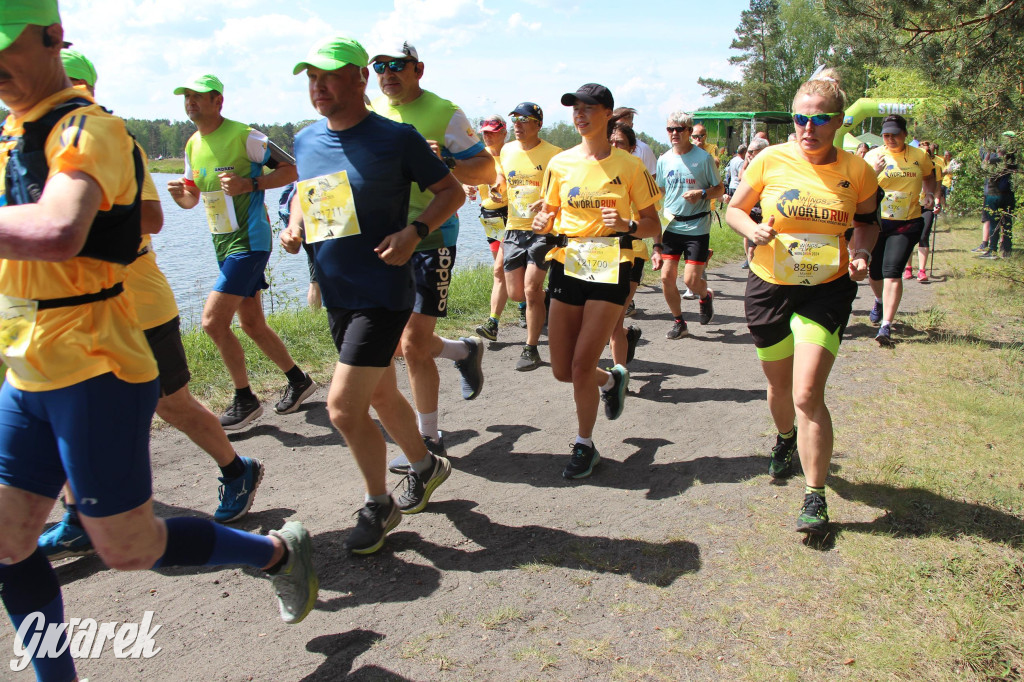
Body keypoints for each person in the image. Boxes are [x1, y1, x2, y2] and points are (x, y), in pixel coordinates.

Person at [0, 11, 317, 680]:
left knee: (128, 546)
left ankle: (275, 552)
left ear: (55, 40)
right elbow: (145, 214)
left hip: (96, 361)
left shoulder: (91, 128)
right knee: (3, 541)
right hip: (24, 361)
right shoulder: (11, 133)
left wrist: (251, 188)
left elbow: (58, 230)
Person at [37, 49, 267, 562]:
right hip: (63, 309)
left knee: (172, 403)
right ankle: (77, 518)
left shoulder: (109, 140)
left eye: (68, 82)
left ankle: (237, 469)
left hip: (135, 302)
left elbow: (148, 219)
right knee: (64, 410)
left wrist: (56, 229)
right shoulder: (29, 144)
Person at [284, 36, 462, 554]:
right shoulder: (306, 139)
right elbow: (305, 191)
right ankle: (427, 466)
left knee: (342, 409)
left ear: (361, 78)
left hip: (382, 291)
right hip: (337, 291)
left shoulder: (396, 138)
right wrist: (295, 226)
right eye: (311, 77)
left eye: (330, 76)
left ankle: (378, 503)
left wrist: (415, 232)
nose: (318, 87)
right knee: (380, 394)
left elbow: (453, 192)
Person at [726, 68, 878, 536]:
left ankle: (815, 496)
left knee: (807, 391)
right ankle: (785, 437)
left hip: (827, 287)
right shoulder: (770, 159)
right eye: (799, 119)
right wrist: (751, 228)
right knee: (778, 387)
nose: (808, 129)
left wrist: (860, 251)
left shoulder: (857, 170)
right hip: (770, 283)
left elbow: (869, 222)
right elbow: (734, 208)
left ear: (838, 123)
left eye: (819, 120)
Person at [368, 42, 491, 474]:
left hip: (431, 238)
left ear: (418, 69)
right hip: (384, 240)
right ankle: (463, 352)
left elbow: (487, 171)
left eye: (396, 66)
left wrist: (444, 164)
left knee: (412, 345)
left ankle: (429, 438)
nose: (387, 73)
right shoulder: (373, 114)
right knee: (406, 344)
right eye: (378, 66)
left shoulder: (445, 112)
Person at [167, 74, 316, 429]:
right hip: (222, 241)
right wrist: (179, 196)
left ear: (218, 100)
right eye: (186, 96)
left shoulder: (246, 135)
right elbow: (191, 197)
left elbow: (294, 169)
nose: (191, 102)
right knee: (251, 323)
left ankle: (245, 398)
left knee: (212, 322)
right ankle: (299, 380)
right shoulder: (192, 145)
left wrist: (251, 183)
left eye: (198, 96)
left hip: (250, 241)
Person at [532, 84, 661, 479]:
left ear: (608, 114)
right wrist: (542, 222)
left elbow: (655, 225)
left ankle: (585, 445)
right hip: (568, 262)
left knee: (581, 363)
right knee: (561, 369)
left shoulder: (630, 166)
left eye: (589, 108)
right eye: (575, 108)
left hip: (611, 263)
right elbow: (549, 212)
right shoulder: (560, 163)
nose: (580, 114)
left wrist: (628, 224)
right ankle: (611, 382)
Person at [489, 102, 561, 371]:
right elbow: (501, 177)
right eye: (515, 120)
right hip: (513, 228)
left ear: (538, 124)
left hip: (543, 230)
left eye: (524, 120)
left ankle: (531, 348)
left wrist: (546, 202)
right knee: (517, 292)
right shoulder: (507, 150)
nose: (517, 125)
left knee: (531, 290)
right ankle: (550, 302)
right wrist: (497, 189)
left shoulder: (555, 154)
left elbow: (563, 189)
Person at [864, 114, 935, 346]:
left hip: (906, 222)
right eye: (886, 135)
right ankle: (879, 300)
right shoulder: (873, 155)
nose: (891, 139)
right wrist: (873, 172)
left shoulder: (919, 156)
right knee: (874, 273)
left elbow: (929, 174)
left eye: (895, 134)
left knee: (892, 271)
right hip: (876, 223)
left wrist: (931, 192)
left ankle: (886, 326)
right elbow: (861, 186)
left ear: (904, 134)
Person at [651, 111, 724, 339]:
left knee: (691, 280)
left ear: (689, 131)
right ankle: (679, 322)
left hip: (697, 227)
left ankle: (705, 296)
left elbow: (719, 189)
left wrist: (702, 193)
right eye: (670, 129)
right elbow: (660, 191)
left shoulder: (703, 159)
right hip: (672, 225)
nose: (674, 133)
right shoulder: (664, 160)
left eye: (679, 129)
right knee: (666, 277)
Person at [471, 115, 511, 344]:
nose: (488, 135)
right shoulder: (479, 155)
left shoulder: (511, 154)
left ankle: (492, 322)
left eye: (493, 131)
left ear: (504, 132)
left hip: (510, 216)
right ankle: (527, 304)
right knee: (505, 270)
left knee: (499, 270)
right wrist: (468, 187)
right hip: (489, 217)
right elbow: (470, 177)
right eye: (485, 131)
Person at [608, 122, 646, 365]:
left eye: (620, 142)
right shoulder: (594, 170)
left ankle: (619, 378)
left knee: (615, 320)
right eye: (610, 141)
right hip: (600, 253)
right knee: (608, 322)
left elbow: (653, 219)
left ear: (632, 147)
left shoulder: (636, 172)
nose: (614, 146)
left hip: (632, 250)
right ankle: (628, 336)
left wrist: (660, 247)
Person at [910, 141, 942, 282]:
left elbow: (938, 188)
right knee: (909, 236)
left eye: (926, 154)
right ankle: (908, 268)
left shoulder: (936, 167)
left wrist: (938, 202)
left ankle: (922, 270)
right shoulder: (910, 166)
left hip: (927, 205)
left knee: (923, 236)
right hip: (912, 204)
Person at [977, 147, 1016, 259]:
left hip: (994, 195)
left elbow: (983, 167)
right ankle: (1007, 250)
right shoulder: (1011, 163)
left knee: (994, 224)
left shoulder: (993, 161)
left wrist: (988, 154)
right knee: (1007, 223)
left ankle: (992, 250)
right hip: (1008, 195)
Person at [611, 107, 656, 174]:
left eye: (624, 126)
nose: (620, 129)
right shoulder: (604, 147)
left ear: (631, 126)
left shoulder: (643, 150)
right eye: (616, 125)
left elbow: (652, 177)